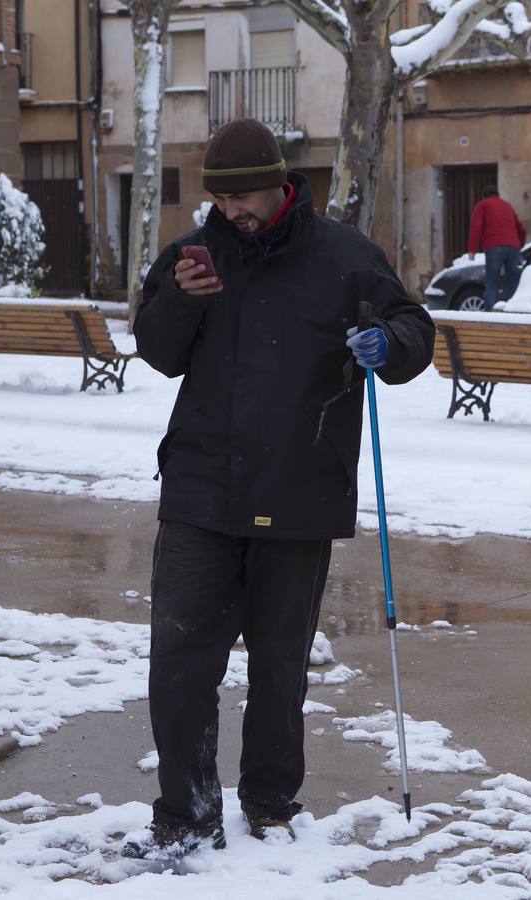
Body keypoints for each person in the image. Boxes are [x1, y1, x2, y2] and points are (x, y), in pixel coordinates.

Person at [125, 118, 435, 859]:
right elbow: (158, 353)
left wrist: (386, 344)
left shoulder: (343, 258)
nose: (232, 211)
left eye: (245, 196)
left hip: (299, 487)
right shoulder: (192, 258)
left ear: (281, 184)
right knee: (179, 661)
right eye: (220, 199)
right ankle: (185, 812)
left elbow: (412, 329)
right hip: (202, 490)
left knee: (278, 664)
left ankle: (268, 802)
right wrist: (180, 299)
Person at [466, 183, 527, 311]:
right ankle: (513, 313)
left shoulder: (482, 205)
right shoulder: (507, 206)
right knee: (514, 283)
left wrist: (472, 249)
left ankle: (489, 314)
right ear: (497, 195)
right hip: (513, 248)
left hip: (494, 247)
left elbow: (476, 228)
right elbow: (521, 229)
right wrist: (518, 245)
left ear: (484, 197)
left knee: (492, 282)